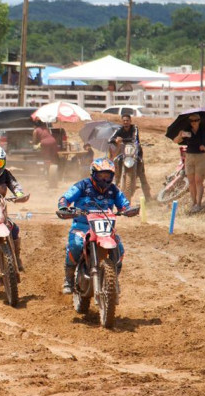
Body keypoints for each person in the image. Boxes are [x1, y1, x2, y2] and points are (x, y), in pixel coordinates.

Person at [57, 158, 137, 294]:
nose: (104, 180)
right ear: (93, 174)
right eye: (101, 175)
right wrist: (64, 207)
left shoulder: (114, 190)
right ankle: (68, 280)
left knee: (120, 249)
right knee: (75, 245)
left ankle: (113, 280)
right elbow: (65, 198)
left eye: (108, 176)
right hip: (82, 225)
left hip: (106, 227)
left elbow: (124, 204)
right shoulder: (82, 186)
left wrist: (128, 210)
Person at [172, 113, 205, 213]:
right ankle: (193, 202)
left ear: (199, 121)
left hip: (201, 157)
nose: (193, 123)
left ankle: (199, 203)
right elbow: (176, 141)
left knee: (198, 181)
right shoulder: (187, 132)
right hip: (189, 156)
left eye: (195, 120)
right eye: (191, 121)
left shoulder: (204, 131)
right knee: (191, 181)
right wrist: (179, 135)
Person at [108, 112, 153, 201]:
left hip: (136, 152)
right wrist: (115, 140)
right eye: (124, 121)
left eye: (127, 120)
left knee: (141, 175)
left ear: (130, 121)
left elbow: (134, 139)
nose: (125, 122)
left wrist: (121, 139)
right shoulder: (119, 129)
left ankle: (148, 198)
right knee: (116, 160)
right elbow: (110, 139)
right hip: (125, 152)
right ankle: (116, 183)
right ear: (122, 121)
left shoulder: (134, 128)